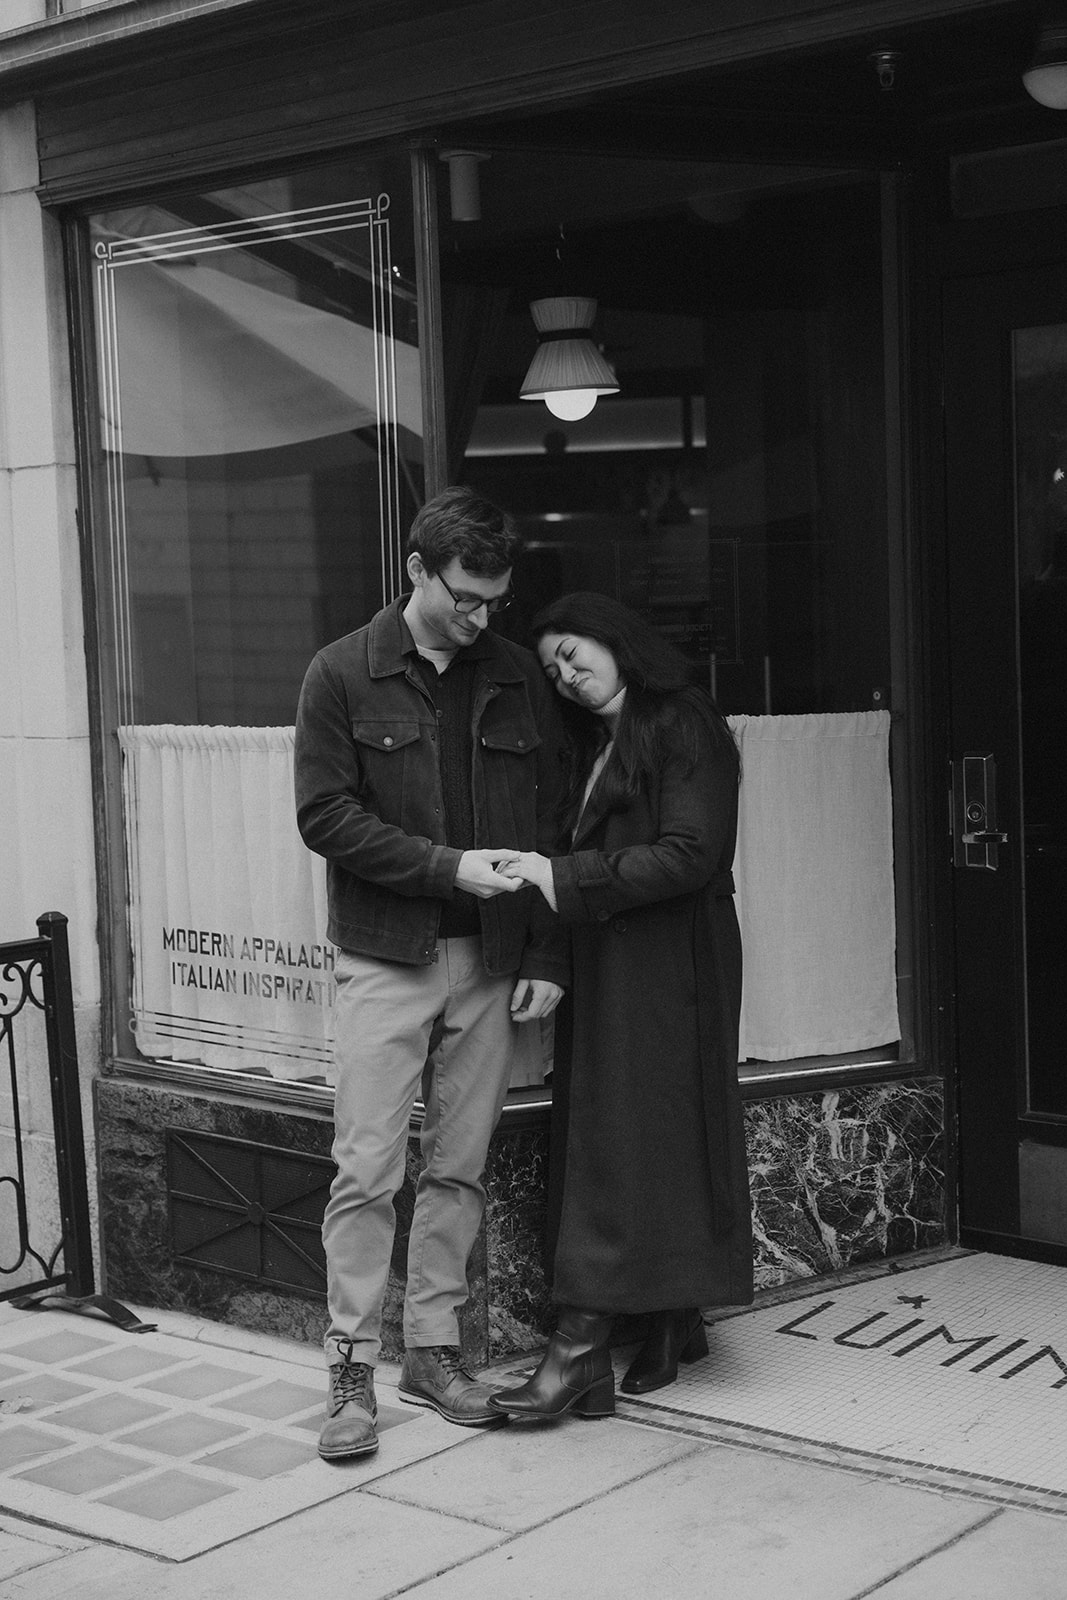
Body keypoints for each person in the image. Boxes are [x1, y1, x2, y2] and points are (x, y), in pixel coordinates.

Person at [294, 486, 567, 1460]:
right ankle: (348, 1370)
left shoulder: (511, 675)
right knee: (366, 1167)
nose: (481, 617)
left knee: (458, 1167)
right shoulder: (341, 673)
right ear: (415, 570)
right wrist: (445, 867)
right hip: (385, 955)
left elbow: (548, 821)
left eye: (493, 599)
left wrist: (541, 948)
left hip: (492, 962)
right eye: (464, 596)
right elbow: (324, 817)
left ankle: (434, 1350)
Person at [488, 592, 753, 1420]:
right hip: (611, 961)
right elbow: (577, 854)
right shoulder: (595, 740)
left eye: (573, 653)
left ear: (615, 641)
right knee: (634, 1134)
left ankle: (578, 1350)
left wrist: (556, 879)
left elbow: (688, 856)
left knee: (635, 1137)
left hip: (673, 966)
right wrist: (549, 953)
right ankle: (671, 1318)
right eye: (553, 667)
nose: (565, 674)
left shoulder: (683, 723)